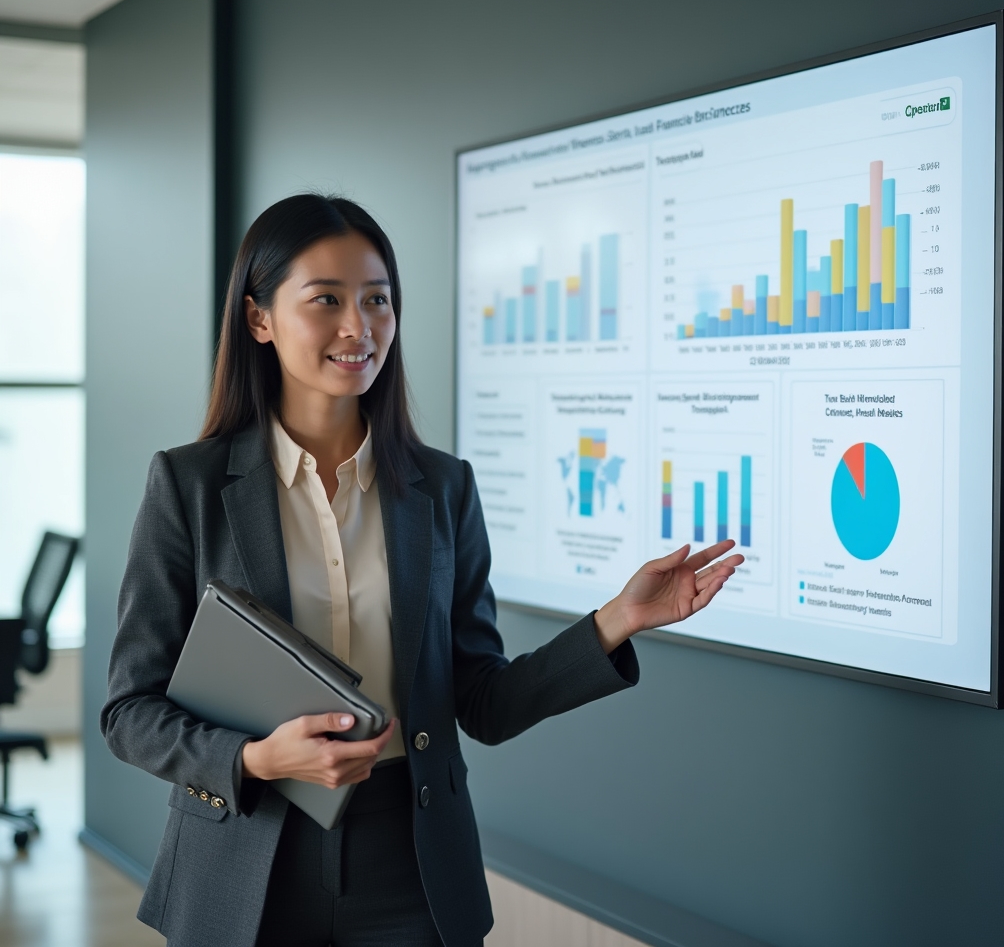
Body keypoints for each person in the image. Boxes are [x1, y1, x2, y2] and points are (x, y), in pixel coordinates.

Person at [102, 194, 743, 947]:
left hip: (408, 858)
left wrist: (617, 622)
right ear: (259, 319)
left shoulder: (441, 488)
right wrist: (253, 758)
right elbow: (129, 712)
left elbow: (484, 702)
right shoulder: (189, 485)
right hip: (246, 851)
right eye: (327, 300)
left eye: (378, 300)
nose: (359, 327)